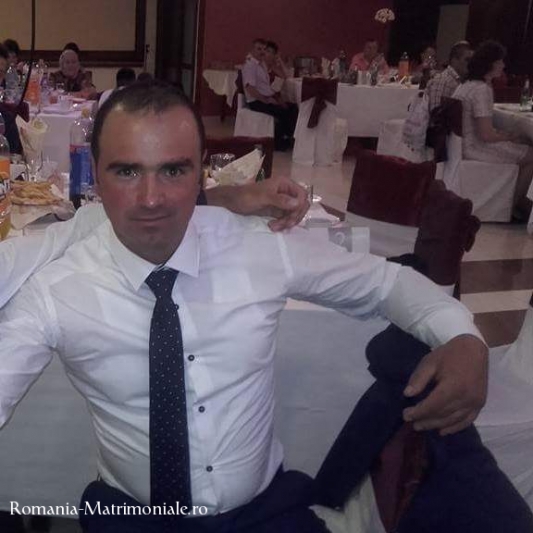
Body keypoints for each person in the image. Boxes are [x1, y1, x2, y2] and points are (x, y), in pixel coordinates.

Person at [0, 82, 488, 532]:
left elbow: (385, 283)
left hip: (263, 512)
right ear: (94, 173)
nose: (151, 199)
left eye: (174, 170)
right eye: (127, 171)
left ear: (200, 172)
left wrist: (462, 335)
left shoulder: (258, 246)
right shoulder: (56, 289)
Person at [452, 40, 533, 218]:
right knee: (530, 155)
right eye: (500, 61)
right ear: (491, 64)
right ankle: (514, 205)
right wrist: (509, 137)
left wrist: (508, 136)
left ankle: (519, 201)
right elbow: (486, 135)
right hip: (475, 148)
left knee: (524, 143)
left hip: (459, 145)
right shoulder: (481, 89)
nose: (503, 65)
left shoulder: (466, 85)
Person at [241, 38, 297, 151]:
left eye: (264, 49)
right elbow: (250, 89)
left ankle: (287, 137)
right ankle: (279, 143)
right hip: (257, 101)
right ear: (252, 50)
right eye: (259, 49)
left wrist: (275, 99)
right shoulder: (250, 65)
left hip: (267, 98)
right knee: (284, 112)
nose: (262, 52)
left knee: (293, 107)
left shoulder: (261, 64)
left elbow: (284, 76)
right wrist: (266, 100)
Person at [426, 41, 472, 112]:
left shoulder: (460, 80)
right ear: (454, 60)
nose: (470, 64)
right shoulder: (444, 81)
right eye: (467, 60)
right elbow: (436, 115)